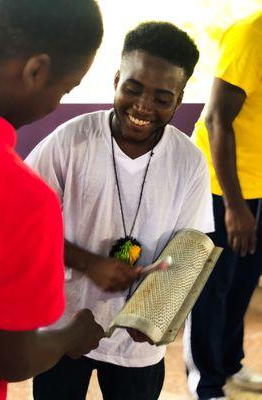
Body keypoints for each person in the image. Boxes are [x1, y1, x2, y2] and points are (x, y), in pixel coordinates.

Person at [26, 21, 215, 400]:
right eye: (133, 88)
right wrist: (88, 263)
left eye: (162, 97)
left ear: (178, 100)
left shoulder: (189, 162)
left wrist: (160, 313)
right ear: (116, 81)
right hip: (64, 325)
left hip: (137, 343)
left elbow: (190, 250)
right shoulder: (70, 141)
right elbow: (24, 226)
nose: (143, 106)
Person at [0, 1, 105, 399]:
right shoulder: (21, 197)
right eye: (65, 89)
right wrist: (70, 335)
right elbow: (13, 359)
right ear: (36, 71)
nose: (56, 103)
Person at [184, 11, 262, 400]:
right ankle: (207, 383)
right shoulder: (251, 34)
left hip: (259, 184)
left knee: (243, 281)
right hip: (221, 185)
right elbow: (217, 120)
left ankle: (230, 363)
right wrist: (234, 206)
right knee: (211, 286)